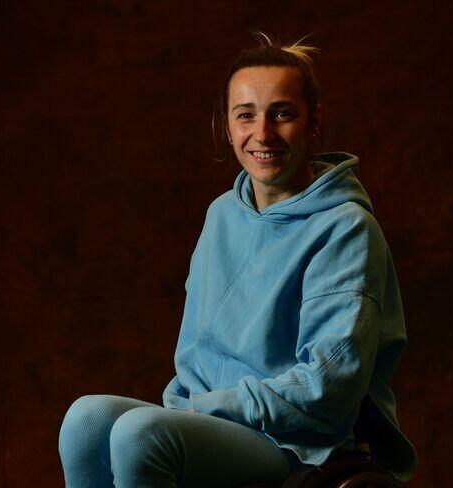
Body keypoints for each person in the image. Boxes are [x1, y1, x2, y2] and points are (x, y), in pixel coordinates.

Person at [58, 31, 417, 487]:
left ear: (314, 122)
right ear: (227, 128)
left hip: (300, 441)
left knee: (141, 435)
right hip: (213, 420)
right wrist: (194, 407)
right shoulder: (222, 215)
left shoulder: (346, 227)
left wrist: (208, 407)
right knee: (85, 420)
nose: (262, 134)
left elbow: (329, 388)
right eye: (245, 115)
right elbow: (194, 355)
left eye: (282, 113)